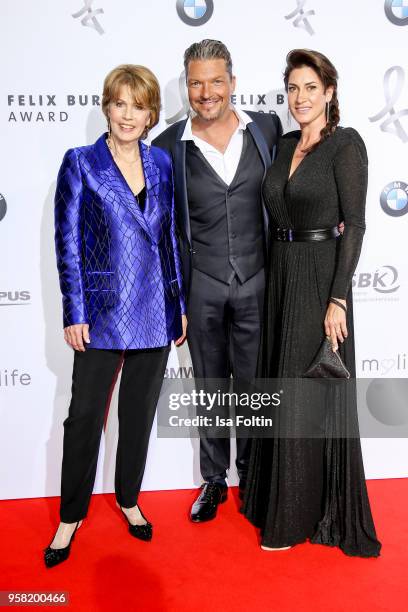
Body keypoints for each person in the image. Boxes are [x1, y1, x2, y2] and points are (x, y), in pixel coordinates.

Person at [44, 64, 187, 568]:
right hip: (100, 314)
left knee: (138, 417)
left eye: (139, 106)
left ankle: (128, 499)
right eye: (119, 103)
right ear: (107, 106)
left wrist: (178, 305)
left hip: (152, 310)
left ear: (151, 114)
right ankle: (70, 515)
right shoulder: (81, 162)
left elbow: (169, 237)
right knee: (84, 418)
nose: (128, 115)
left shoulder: (163, 164)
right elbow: (67, 244)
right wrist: (74, 310)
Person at [242, 49, 381, 557]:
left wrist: (338, 298)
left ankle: (300, 516)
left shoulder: (345, 145)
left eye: (310, 88)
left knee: (305, 396)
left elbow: (357, 224)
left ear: (329, 92)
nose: (300, 98)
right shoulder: (281, 145)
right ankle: (277, 500)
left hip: (322, 277)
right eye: (293, 88)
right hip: (280, 275)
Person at [153, 40, 282, 522]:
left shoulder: (265, 129)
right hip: (201, 284)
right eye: (196, 82)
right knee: (210, 388)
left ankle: (252, 476)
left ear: (233, 80)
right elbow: (161, 232)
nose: (206, 92)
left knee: (253, 386)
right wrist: (173, 300)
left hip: (257, 279)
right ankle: (213, 480)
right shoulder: (168, 146)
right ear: (186, 85)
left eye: (215, 80)